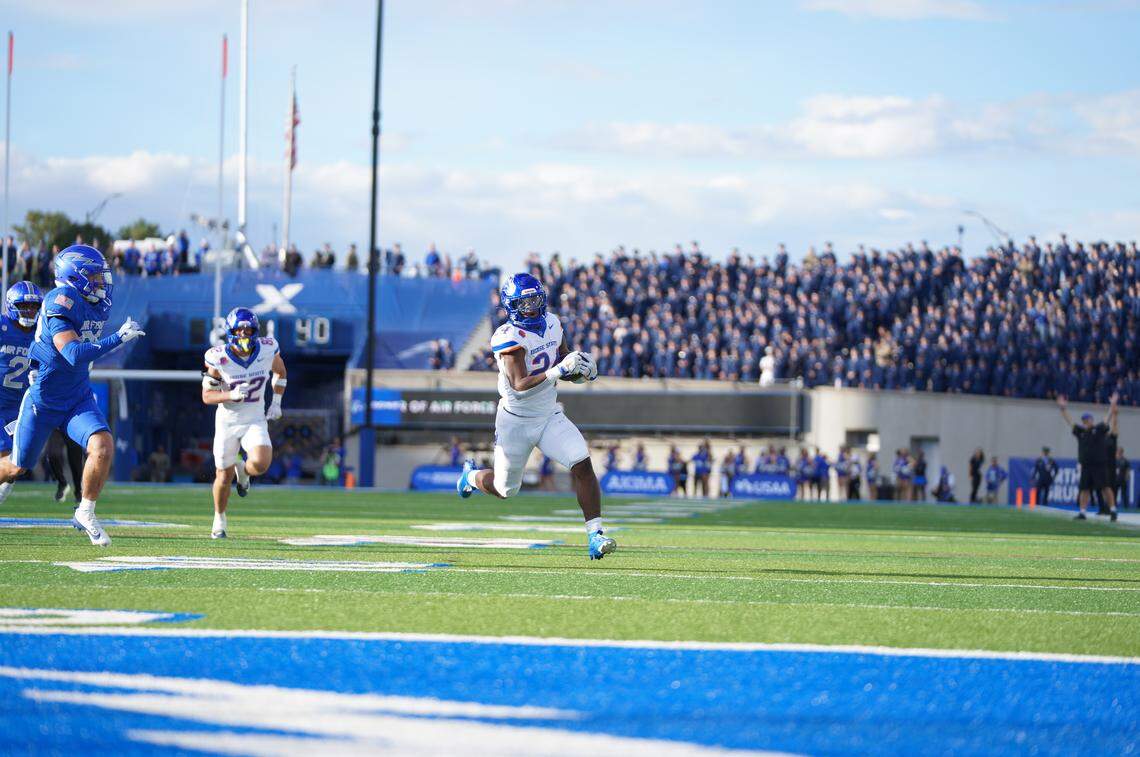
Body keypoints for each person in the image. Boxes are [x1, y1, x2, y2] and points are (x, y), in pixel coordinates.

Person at [455, 273, 616, 560]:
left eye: (534, 301)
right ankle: (471, 476)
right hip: (515, 421)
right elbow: (520, 385)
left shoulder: (553, 323)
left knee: (582, 463)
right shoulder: (508, 336)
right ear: (511, 306)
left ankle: (595, 535)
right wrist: (560, 370)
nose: (530, 308)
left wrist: (581, 372)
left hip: (548, 415)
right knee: (505, 489)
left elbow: (563, 360)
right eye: (524, 303)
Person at [0, 246, 145, 545]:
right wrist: (118, 337)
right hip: (43, 400)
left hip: (77, 396)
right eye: (94, 276)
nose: (101, 282)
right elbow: (73, 353)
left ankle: (85, 511)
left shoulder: (96, 304)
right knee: (16, 467)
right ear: (75, 276)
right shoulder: (60, 300)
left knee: (102, 446)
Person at [201, 307, 288, 538]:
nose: (244, 334)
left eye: (248, 330)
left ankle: (244, 471)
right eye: (239, 330)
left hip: (254, 419)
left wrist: (276, 402)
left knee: (261, 463)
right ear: (230, 332)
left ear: (255, 331)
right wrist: (230, 395)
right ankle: (219, 519)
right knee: (223, 476)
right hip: (227, 422)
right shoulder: (218, 357)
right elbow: (207, 396)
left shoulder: (268, 349)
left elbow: (280, 372)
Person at [0, 282, 42, 506]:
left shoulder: (41, 332)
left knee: (18, 464)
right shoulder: (2, 326)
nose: (29, 311)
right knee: (9, 459)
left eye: (34, 306)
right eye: (24, 306)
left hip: (19, 408)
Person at [1056, 395, 1117, 521]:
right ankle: (1083, 512)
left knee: (1105, 487)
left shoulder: (1098, 429)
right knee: (1084, 489)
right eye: (1084, 420)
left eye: (1088, 419)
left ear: (1092, 420)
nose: (1086, 422)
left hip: (1099, 464)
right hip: (1086, 465)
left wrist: (1112, 406)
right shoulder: (1081, 432)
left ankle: (1113, 510)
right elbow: (1070, 422)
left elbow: (1107, 419)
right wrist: (1063, 409)